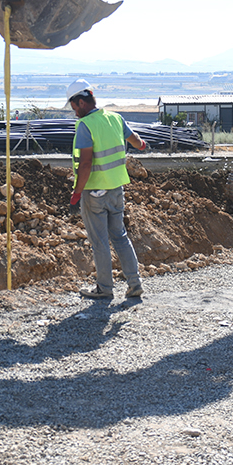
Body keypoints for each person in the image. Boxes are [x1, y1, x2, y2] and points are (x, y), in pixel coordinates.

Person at [66, 80, 147, 303]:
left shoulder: (86, 125)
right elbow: (136, 140)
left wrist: (76, 193)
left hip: (94, 192)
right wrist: (141, 145)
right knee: (120, 236)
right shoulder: (115, 118)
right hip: (116, 189)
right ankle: (134, 284)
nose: (74, 112)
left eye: (73, 107)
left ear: (80, 102)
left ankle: (104, 288)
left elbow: (85, 164)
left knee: (100, 241)